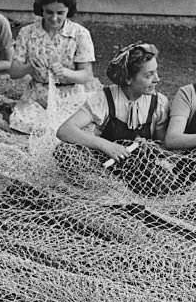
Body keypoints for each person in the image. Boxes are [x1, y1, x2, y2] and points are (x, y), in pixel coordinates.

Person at [55, 43, 173, 194]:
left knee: (166, 182)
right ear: (128, 79)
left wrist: (149, 147)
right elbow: (65, 130)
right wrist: (106, 146)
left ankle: (124, 193)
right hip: (103, 166)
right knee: (65, 151)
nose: (157, 79)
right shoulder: (104, 98)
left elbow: (164, 145)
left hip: (138, 170)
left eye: (156, 72)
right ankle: (103, 189)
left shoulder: (159, 103)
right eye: (148, 75)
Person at [8, 0, 98, 132]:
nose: (54, 18)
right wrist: (29, 67)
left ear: (68, 11)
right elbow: (13, 72)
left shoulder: (80, 34)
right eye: (49, 12)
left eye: (60, 13)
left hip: (70, 96)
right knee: (23, 125)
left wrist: (65, 72)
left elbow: (86, 76)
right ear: (41, 9)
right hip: (37, 96)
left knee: (65, 130)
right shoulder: (27, 32)